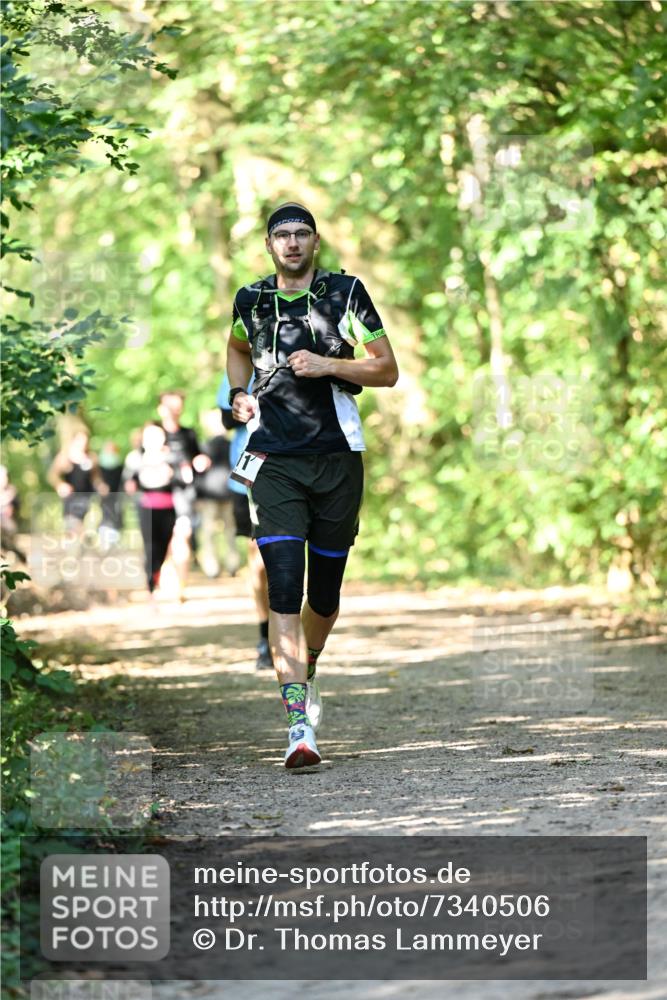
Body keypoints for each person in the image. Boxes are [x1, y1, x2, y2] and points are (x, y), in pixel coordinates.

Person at [226, 201, 398, 768]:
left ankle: (310, 663)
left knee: (323, 595)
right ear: (269, 245)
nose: (292, 243)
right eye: (283, 235)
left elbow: (386, 368)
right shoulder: (250, 300)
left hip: (336, 459)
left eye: (302, 234)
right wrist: (239, 395)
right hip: (273, 460)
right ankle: (299, 725)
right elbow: (236, 350)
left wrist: (330, 367)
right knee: (281, 584)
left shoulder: (345, 294)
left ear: (316, 242)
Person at [217, 373, 273, 671]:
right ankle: (265, 635)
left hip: (292, 468)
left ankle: (293, 631)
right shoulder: (238, 372)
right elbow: (226, 420)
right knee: (259, 560)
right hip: (248, 472)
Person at [156, 391, 210, 601]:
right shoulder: (154, 432)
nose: (175, 411)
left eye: (178, 407)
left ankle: (180, 586)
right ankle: (163, 579)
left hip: (185, 494)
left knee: (183, 535)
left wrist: (200, 462)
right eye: (171, 406)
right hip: (160, 495)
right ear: (161, 408)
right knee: (165, 539)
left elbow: (198, 457)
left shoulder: (189, 434)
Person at [130, 422, 179, 600]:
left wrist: (174, 474)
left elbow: (184, 481)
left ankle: (158, 579)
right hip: (147, 508)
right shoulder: (136, 458)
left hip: (168, 508)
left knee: (164, 548)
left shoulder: (172, 457)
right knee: (151, 548)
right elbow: (128, 482)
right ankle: (151, 585)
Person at [195, 409, 237, 579]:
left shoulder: (208, 446)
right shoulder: (210, 446)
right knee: (224, 532)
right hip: (220, 495)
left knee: (214, 533)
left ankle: (219, 566)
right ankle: (225, 565)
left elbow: (199, 473)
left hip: (220, 496)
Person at [47, 428, 105, 542]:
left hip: (87, 498)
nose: (83, 443)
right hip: (71, 499)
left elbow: (96, 478)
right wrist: (60, 485)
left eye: (85, 440)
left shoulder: (91, 457)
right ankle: (74, 547)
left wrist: (101, 486)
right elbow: (52, 475)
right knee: (73, 524)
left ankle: (81, 545)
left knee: (86, 524)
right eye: (80, 440)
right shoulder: (65, 457)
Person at [98, 440, 124, 550]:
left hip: (117, 495)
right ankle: (105, 540)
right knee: (106, 516)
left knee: (117, 515)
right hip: (104, 497)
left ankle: (114, 540)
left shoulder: (120, 465)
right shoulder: (99, 465)